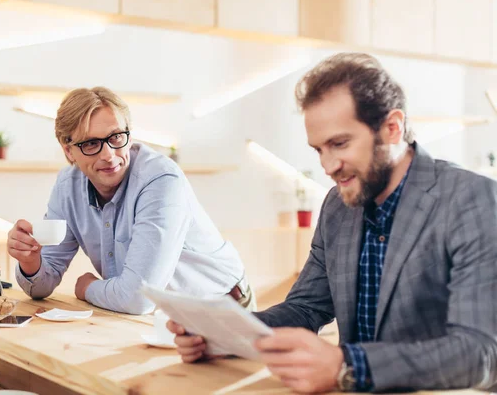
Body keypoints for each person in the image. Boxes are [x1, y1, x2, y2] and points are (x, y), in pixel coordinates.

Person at [167, 53, 497, 393]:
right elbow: (306, 309)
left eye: (339, 144)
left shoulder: (472, 199)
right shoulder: (338, 205)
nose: (328, 165)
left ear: (392, 128)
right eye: (318, 150)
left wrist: (347, 365)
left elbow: (479, 353)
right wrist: (226, 333)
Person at [7, 87, 254, 315]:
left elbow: (138, 299)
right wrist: (31, 262)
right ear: (68, 150)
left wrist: (87, 287)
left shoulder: (160, 181)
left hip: (221, 308)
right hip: (153, 315)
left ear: (129, 134)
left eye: (116, 137)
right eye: (91, 143)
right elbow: (41, 287)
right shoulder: (67, 187)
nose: (109, 155)